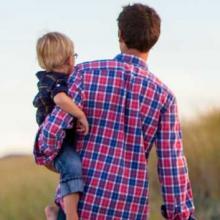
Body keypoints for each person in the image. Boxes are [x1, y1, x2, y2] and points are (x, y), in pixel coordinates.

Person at [35, 3, 195, 220]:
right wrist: (181, 215)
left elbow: (50, 135)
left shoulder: (84, 74)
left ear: (120, 34)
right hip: (129, 212)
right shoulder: (164, 97)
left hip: (81, 208)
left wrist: (49, 155)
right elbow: (171, 163)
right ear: (153, 41)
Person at [33, 32, 89, 220]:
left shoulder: (56, 78)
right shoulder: (53, 80)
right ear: (68, 59)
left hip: (64, 138)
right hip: (57, 142)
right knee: (72, 166)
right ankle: (70, 214)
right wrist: (80, 114)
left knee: (72, 167)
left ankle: (56, 212)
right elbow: (60, 99)